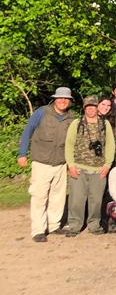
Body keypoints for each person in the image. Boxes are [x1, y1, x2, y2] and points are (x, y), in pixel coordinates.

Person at [17, 86, 76, 242]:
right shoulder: (42, 112)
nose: (63, 101)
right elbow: (27, 131)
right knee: (39, 196)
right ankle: (38, 230)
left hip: (61, 163)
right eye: (60, 98)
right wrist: (22, 153)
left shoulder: (71, 118)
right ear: (55, 99)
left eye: (66, 99)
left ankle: (54, 226)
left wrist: (71, 164)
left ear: (70, 101)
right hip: (41, 162)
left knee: (58, 197)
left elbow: (72, 143)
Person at [64, 95, 115, 236]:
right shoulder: (76, 123)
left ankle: (94, 225)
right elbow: (69, 145)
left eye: (93, 106)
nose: (91, 109)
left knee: (96, 201)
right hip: (79, 168)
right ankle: (74, 226)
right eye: (88, 107)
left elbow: (110, 145)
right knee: (76, 200)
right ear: (84, 108)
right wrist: (71, 165)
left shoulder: (104, 124)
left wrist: (107, 165)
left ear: (97, 107)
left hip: (99, 170)